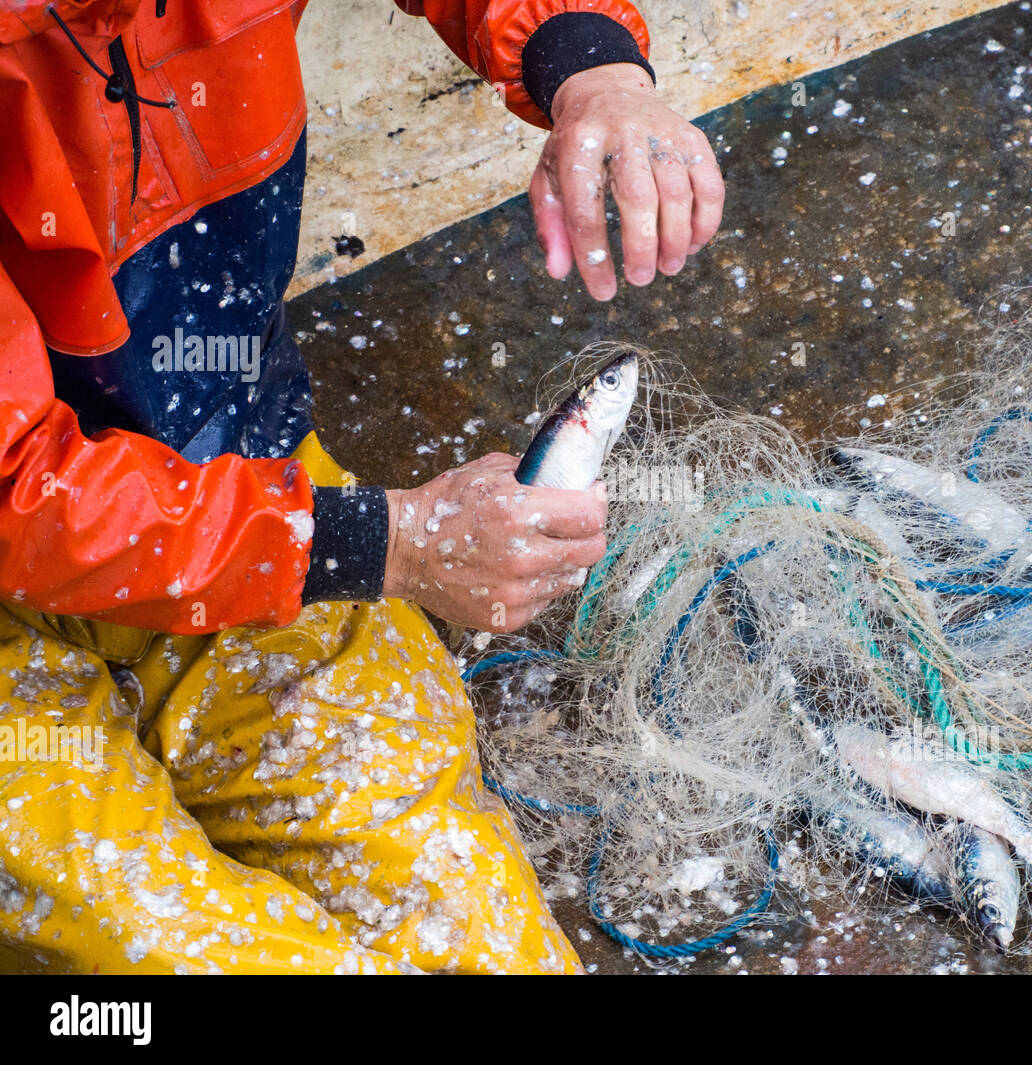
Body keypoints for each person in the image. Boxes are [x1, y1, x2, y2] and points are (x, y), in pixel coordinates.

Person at [0, 0, 724, 974]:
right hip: (51, 532)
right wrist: (391, 543)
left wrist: (587, 62)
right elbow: (21, 499)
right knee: (165, 948)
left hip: (220, 479)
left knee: (476, 936)